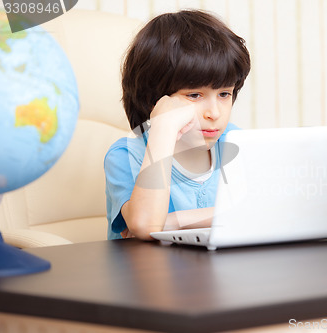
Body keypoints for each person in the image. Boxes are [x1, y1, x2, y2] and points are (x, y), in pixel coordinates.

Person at [104, 10, 251, 240]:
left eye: (224, 94)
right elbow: (146, 225)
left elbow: (260, 209)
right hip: (148, 274)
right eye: (194, 95)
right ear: (155, 100)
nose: (214, 113)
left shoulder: (235, 141)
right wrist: (162, 127)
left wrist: (175, 222)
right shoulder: (124, 155)